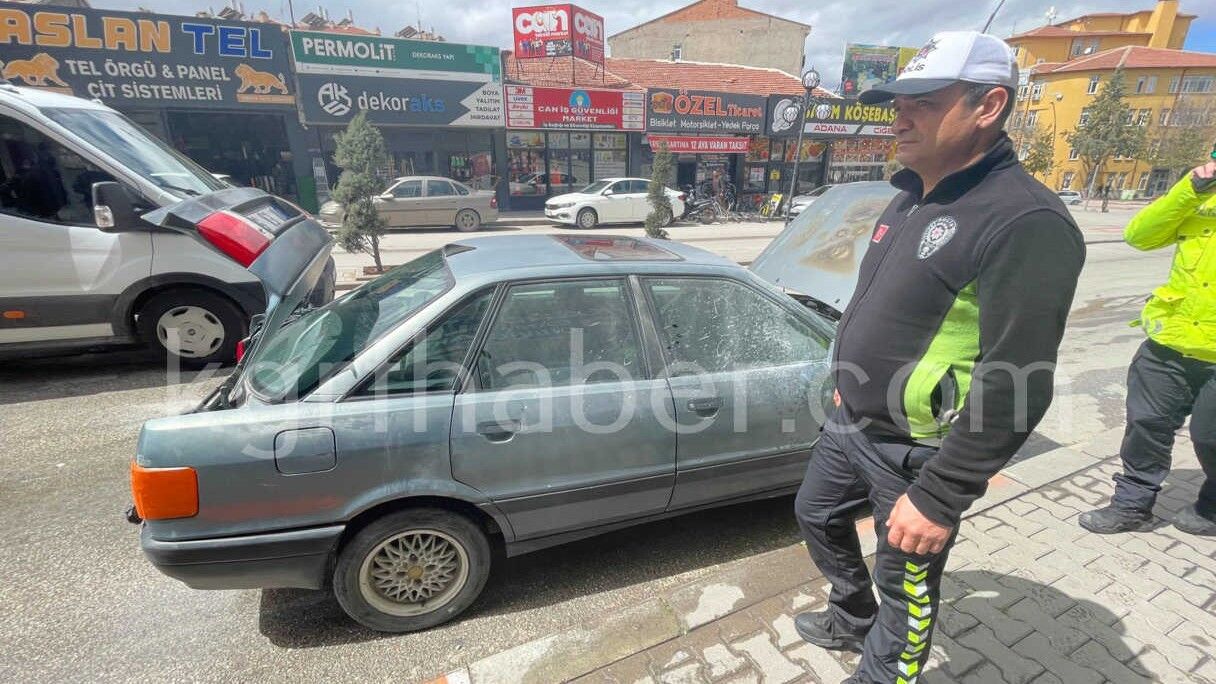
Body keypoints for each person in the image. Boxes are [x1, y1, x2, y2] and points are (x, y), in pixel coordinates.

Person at [792, 31, 1085, 683]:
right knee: (814, 514)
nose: (901, 115)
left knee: (907, 596)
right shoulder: (909, 195)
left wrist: (942, 496)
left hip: (918, 456)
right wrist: (847, 380)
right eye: (898, 100)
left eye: (923, 100)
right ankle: (849, 613)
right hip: (852, 426)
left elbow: (1020, 381)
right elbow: (877, 304)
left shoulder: (1024, 221)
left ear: (988, 107)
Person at [1079, 159, 1216, 536]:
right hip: (1169, 341)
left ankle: (1213, 505)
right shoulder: (1200, 196)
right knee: (1145, 427)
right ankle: (1131, 505)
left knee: (1209, 436)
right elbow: (1140, 235)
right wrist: (1189, 189)